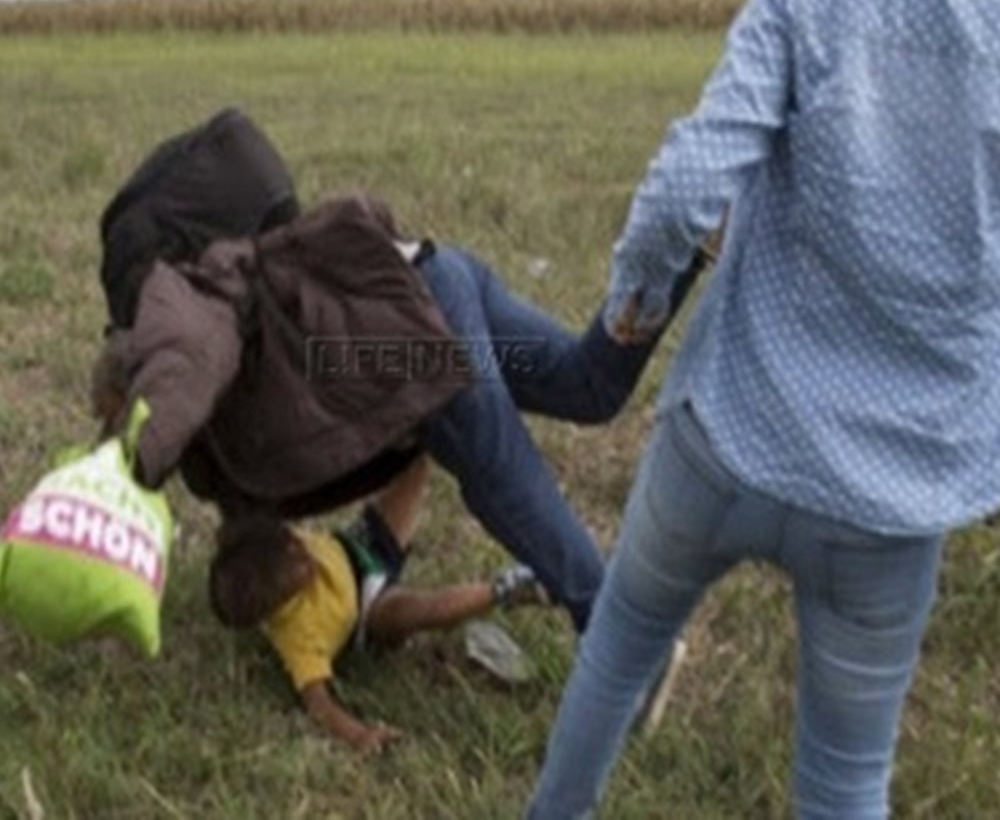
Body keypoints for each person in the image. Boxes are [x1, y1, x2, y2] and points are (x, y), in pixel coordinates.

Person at [528, 0, 1000, 816]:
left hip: (726, 438)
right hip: (894, 495)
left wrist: (634, 304)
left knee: (616, 650)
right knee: (845, 775)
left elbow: (686, 187)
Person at [93, 193, 707, 634]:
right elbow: (254, 530)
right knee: (584, 385)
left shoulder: (184, 339)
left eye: (118, 413)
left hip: (409, 338)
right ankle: (680, 244)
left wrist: (126, 467)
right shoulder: (220, 453)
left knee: (499, 475)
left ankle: (622, 636)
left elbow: (185, 372)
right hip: (435, 279)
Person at [208, 454, 541, 754]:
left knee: (413, 467)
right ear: (277, 601)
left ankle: (424, 433)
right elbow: (319, 705)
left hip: (360, 548)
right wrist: (359, 735)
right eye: (297, 564)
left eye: (295, 543)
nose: (302, 549)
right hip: (369, 611)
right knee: (415, 611)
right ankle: (504, 589)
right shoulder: (299, 637)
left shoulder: (274, 547)